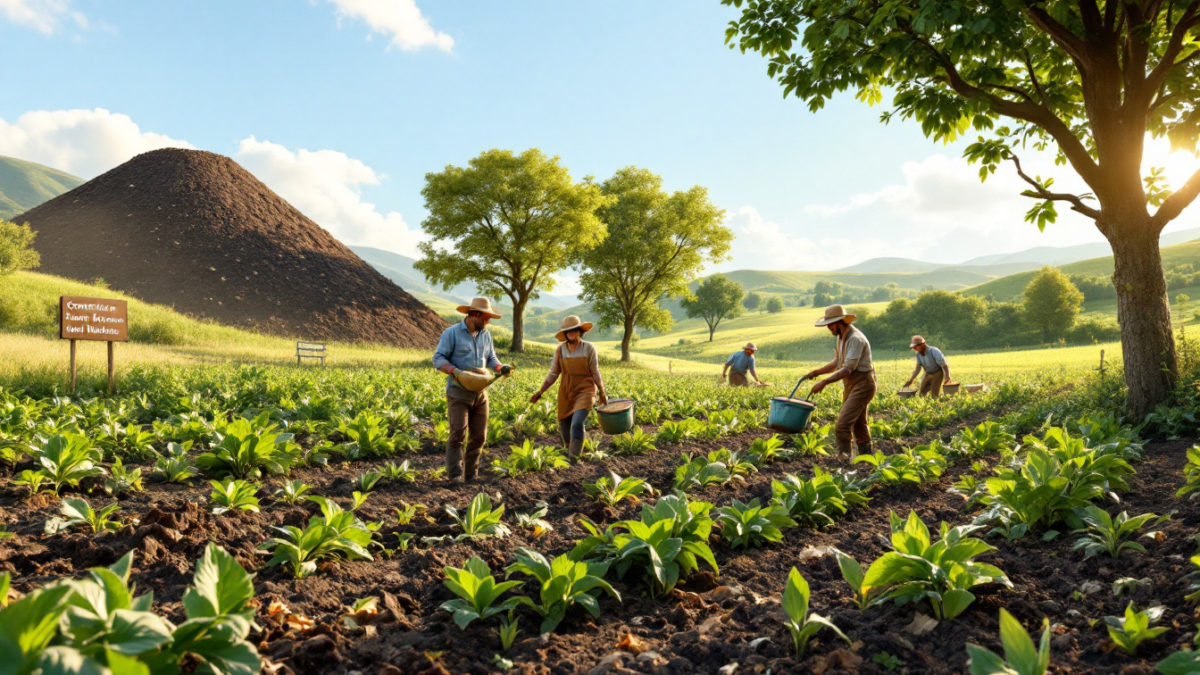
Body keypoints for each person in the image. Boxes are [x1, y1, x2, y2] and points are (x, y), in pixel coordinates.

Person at [432, 297, 513, 484]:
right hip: (458, 391)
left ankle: (471, 475)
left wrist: (500, 367)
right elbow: (438, 358)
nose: (488, 322)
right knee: (458, 433)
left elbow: (491, 358)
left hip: (481, 392)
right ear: (474, 315)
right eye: (485, 318)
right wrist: (455, 371)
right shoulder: (451, 333)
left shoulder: (485, 334)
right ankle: (455, 476)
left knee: (479, 436)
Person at [530, 315, 608, 458]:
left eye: (574, 329)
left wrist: (602, 392)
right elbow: (554, 373)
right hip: (566, 391)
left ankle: (574, 458)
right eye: (568, 331)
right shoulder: (561, 350)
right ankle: (570, 449)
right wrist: (540, 391)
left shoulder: (588, 348)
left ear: (579, 331)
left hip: (586, 389)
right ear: (565, 334)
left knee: (577, 423)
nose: (571, 333)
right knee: (565, 426)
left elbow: (595, 371)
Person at [805, 304, 876, 459]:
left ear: (840, 322)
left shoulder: (856, 339)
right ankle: (867, 459)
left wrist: (824, 382)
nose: (829, 327)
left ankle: (842, 460)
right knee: (859, 423)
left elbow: (847, 369)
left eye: (831, 324)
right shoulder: (841, 337)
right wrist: (816, 372)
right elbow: (837, 363)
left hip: (863, 383)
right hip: (851, 384)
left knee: (843, 425)